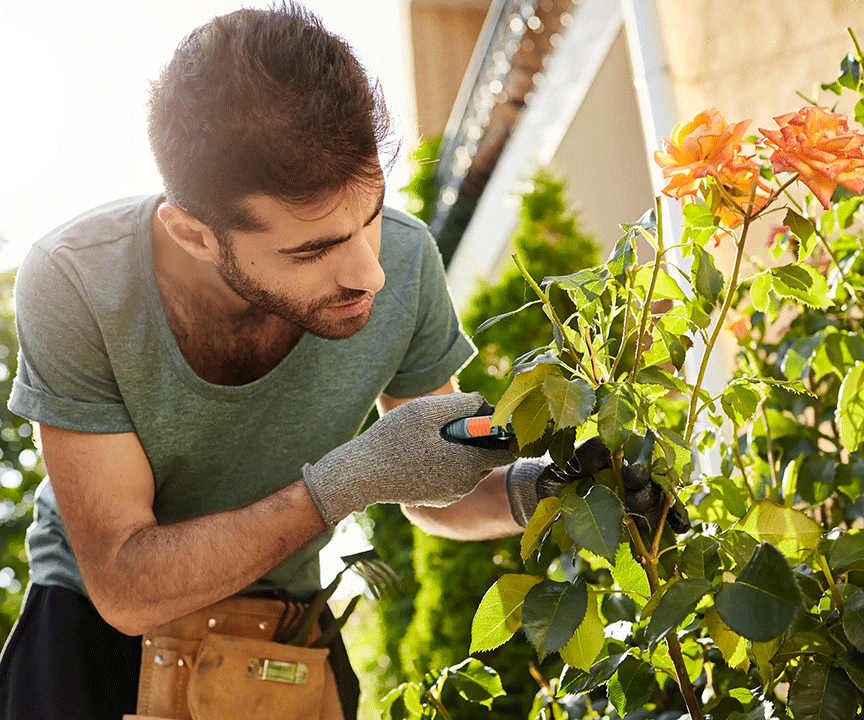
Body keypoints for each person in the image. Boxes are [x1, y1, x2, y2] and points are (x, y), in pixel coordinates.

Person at [0, 4, 549, 719]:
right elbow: (127, 589)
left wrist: (546, 487)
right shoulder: (77, 281)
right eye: (313, 249)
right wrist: (344, 482)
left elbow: (428, 487)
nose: (369, 275)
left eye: (372, 213)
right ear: (194, 236)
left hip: (284, 637)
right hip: (93, 646)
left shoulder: (409, 262)